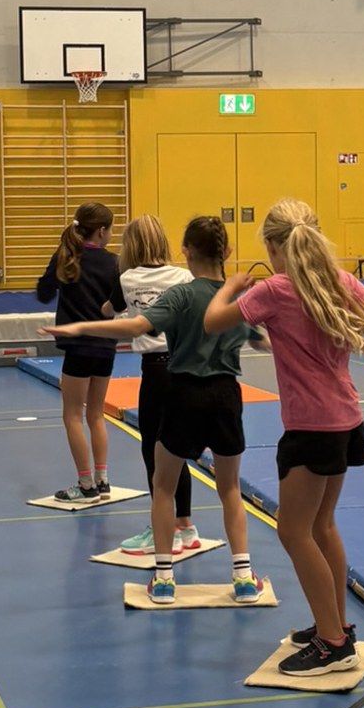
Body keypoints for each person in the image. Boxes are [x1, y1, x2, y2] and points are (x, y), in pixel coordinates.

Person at [204, 200, 364, 677]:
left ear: (272, 247)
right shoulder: (341, 281)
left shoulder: (276, 289)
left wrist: (229, 288)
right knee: (322, 526)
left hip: (311, 427)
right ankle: (335, 624)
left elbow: (212, 322)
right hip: (346, 420)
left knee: (293, 531)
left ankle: (333, 644)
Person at [46, 216, 262, 605]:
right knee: (230, 489)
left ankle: (163, 579)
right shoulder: (236, 300)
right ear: (227, 252)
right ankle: (244, 577)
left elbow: (134, 328)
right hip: (227, 396)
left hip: (184, 394)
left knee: (163, 486)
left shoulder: (181, 295)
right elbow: (261, 340)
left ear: (186, 251)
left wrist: (79, 328)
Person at [112, 215, 202, 560]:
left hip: (155, 370)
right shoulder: (183, 276)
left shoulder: (127, 278)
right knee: (176, 448)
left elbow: (109, 309)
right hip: (184, 368)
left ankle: (162, 526)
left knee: (153, 447)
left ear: (131, 246)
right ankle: (185, 525)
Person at [36, 202, 121, 502]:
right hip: (106, 347)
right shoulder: (114, 263)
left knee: (72, 415)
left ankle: (86, 485)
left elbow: (43, 293)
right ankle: (102, 479)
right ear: (102, 231)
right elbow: (119, 303)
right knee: (96, 414)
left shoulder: (66, 257)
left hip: (78, 348)